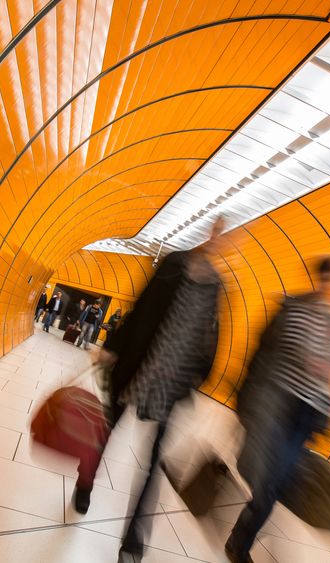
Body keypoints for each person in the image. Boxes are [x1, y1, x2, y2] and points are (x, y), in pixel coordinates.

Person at [96, 218, 225, 562]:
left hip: (173, 383)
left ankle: (134, 538)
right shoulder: (173, 264)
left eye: (228, 237)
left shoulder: (218, 285)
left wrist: (200, 374)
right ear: (206, 234)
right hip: (138, 368)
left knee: (153, 463)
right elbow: (142, 310)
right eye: (218, 232)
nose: (222, 241)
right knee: (108, 431)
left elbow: (211, 335)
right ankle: (86, 479)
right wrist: (114, 346)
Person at [225, 257, 330, 563]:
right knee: (270, 480)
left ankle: (242, 537)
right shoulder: (294, 310)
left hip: (308, 412)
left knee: (277, 481)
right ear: (319, 279)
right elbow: (275, 351)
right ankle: (239, 543)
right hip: (280, 403)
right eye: (328, 280)